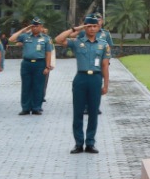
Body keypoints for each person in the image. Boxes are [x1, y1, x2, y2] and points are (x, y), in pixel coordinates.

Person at [55, 15, 112, 155]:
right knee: (78, 112)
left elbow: (105, 66)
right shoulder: (77, 42)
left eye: (94, 26)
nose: (92, 29)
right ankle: (79, 143)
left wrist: (106, 85)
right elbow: (58, 39)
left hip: (96, 79)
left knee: (93, 112)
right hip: (81, 78)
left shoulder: (103, 44)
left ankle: (90, 143)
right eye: (89, 26)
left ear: (98, 27)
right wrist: (77, 28)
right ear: (85, 27)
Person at [7, 18, 55, 114]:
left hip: (40, 64)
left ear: (41, 27)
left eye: (37, 26)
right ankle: (25, 108)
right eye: (33, 26)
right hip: (27, 64)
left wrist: (47, 66)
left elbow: (48, 53)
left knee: (38, 86)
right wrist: (25, 29)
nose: (35, 28)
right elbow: (11, 39)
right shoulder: (25, 36)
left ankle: (36, 108)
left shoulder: (46, 38)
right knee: (26, 86)